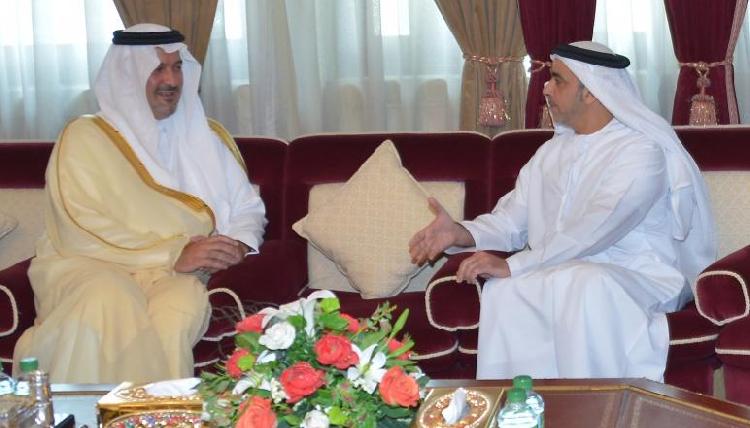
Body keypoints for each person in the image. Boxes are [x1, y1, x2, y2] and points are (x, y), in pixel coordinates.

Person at [409, 41, 715, 381]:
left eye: (557, 80)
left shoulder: (641, 152)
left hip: (636, 275)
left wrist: (514, 264)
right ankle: (523, 405)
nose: (545, 88)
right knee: (504, 290)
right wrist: (460, 233)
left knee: (583, 283)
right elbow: (511, 221)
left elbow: (595, 229)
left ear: (592, 91)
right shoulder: (549, 154)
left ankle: (595, 406)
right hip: (560, 270)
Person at [12, 24, 267, 383]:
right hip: (89, 263)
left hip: (173, 274)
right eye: (158, 69)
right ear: (127, 76)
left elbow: (247, 208)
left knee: (179, 308)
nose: (171, 80)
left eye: (177, 67)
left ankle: (157, 410)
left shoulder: (206, 135)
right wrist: (173, 253)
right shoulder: (85, 137)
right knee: (109, 298)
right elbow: (80, 226)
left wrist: (237, 244)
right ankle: (88, 410)